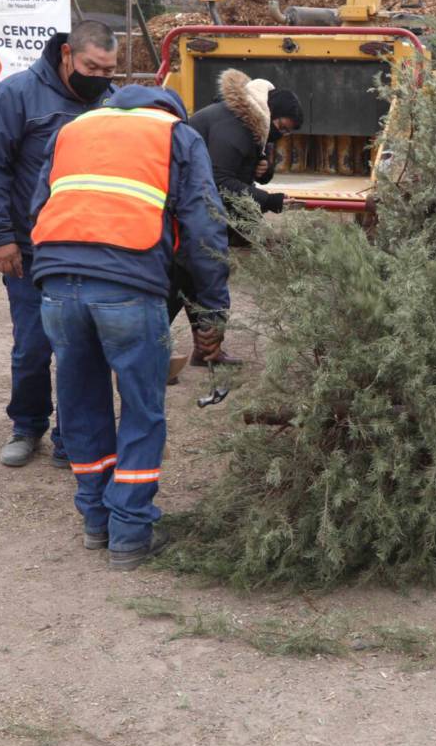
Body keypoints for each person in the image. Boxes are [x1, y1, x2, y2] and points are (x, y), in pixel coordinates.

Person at [28, 80, 230, 567]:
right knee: (141, 409)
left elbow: (39, 207)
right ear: (171, 108)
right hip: (129, 287)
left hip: (57, 286)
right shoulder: (176, 135)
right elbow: (203, 226)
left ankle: (96, 520)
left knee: (80, 404)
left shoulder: (74, 129)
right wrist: (212, 309)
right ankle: (130, 534)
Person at [0, 20, 119, 469]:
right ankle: (27, 424)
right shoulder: (17, 95)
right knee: (34, 346)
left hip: (87, 251)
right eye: (93, 66)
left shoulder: (109, 102)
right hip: (31, 251)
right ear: (67, 56)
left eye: (110, 69)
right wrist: (1, 238)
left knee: (81, 348)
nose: (101, 76)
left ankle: (68, 436)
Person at [171, 70, 305, 362]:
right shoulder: (233, 126)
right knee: (184, 277)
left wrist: (264, 169)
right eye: (283, 126)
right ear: (273, 114)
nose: (282, 133)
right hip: (189, 209)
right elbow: (220, 179)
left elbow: (245, 169)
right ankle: (154, 351)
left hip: (198, 207)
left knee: (196, 279)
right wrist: (268, 201)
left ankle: (207, 351)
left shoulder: (252, 122)